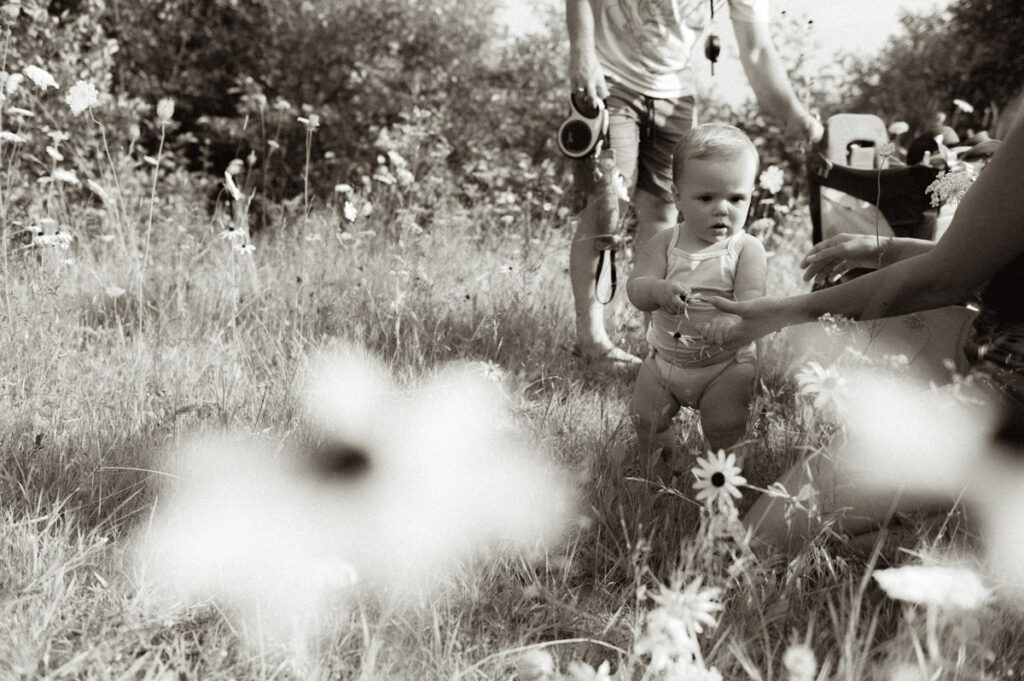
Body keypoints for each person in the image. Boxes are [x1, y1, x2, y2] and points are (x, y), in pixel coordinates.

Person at [703, 98, 1024, 553]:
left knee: (756, 546)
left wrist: (783, 312)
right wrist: (884, 249)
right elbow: (987, 263)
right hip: (997, 365)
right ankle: (969, 519)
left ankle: (988, 520)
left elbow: (944, 280)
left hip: (1010, 404)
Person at [566, 0, 823, 365]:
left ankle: (656, 343)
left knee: (665, 211)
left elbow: (757, 48)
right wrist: (581, 53)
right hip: (609, 79)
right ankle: (591, 340)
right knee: (608, 206)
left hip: (675, 93)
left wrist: (793, 114)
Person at [626, 123, 767, 473]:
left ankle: (726, 485)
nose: (723, 209)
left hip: (724, 366)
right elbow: (636, 288)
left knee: (723, 429)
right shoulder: (665, 242)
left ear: (751, 195)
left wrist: (733, 319)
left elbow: (752, 304)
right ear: (677, 197)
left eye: (736, 198)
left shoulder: (746, 250)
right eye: (706, 198)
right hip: (664, 363)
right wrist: (658, 291)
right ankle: (666, 467)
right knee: (645, 417)